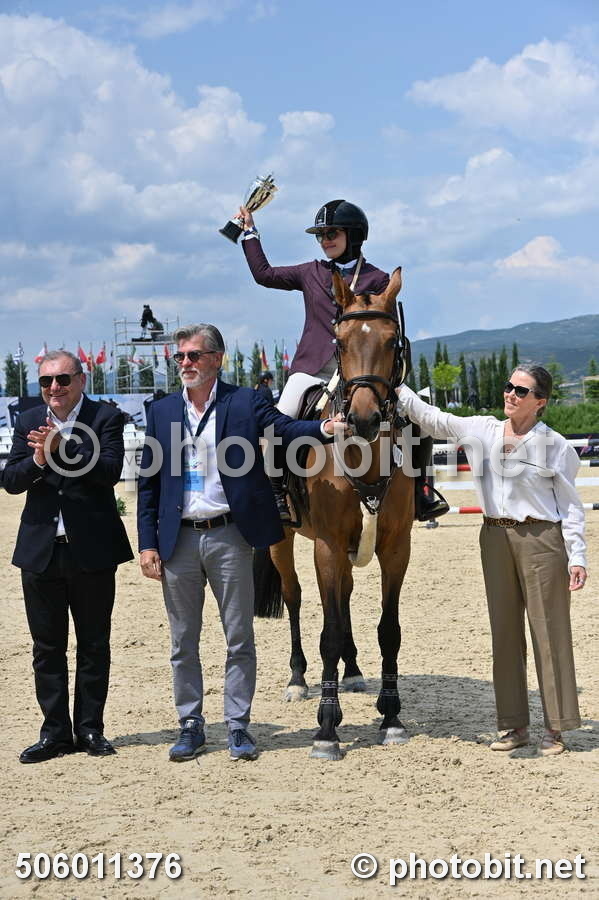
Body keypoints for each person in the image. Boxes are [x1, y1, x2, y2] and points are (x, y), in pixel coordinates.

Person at [137, 323, 341, 763]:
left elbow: (284, 428)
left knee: (239, 638)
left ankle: (237, 725)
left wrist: (325, 427)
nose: (185, 363)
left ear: (217, 359)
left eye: (194, 355)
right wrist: (147, 544)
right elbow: (149, 484)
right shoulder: (162, 411)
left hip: (230, 535)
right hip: (178, 540)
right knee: (182, 642)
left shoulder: (245, 401)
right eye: (180, 357)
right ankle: (190, 724)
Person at [395, 364, 587, 756]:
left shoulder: (555, 445)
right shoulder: (482, 429)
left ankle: (556, 727)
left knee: (549, 633)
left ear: (540, 401)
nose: (511, 394)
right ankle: (514, 726)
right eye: (508, 386)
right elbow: (433, 418)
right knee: (504, 634)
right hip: (493, 537)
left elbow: (570, 506)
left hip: (541, 539)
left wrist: (577, 556)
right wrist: (395, 383)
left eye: (521, 390)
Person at [238, 198, 448, 523]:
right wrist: (250, 233)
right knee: (282, 417)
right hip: (314, 369)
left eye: (331, 233)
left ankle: (421, 491)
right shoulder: (311, 272)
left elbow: (387, 329)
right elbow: (264, 274)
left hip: (365, 369)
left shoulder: (378, 279)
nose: (325, 240)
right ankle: (277, 493)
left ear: (354, 235)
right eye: (321, 235)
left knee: (417, 416)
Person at [4, 350, 133, 763]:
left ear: (81, 379)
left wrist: (64, 448)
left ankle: (91, 729)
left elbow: (109, 473)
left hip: (92, 549)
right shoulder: (28, 420)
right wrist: (39, 459)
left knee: (94, 644)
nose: (54, 388)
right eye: (46, 381)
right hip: (40, 550)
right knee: (47, 648)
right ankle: (55, 733)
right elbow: (10, 480)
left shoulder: (105, 417)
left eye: (62, 379)